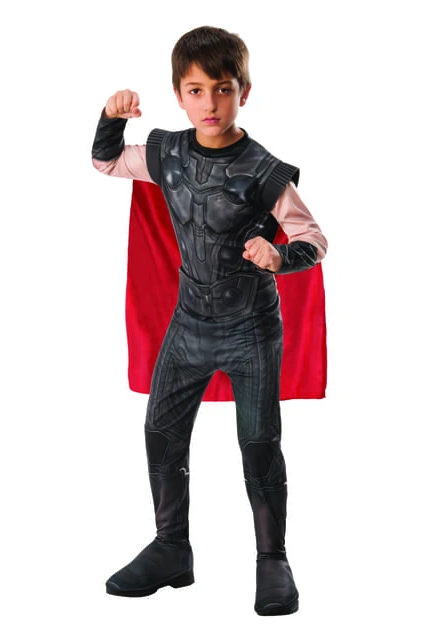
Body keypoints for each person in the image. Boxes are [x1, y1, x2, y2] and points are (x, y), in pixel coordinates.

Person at [91, 25, 328, 616]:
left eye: (223, 89)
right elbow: (107, 162)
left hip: (251, 330)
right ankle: (171, 548)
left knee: (258, 445)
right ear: (178, 94)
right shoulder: (166, 153)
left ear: (244, 91)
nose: (210, 103)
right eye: (196, 91)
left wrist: (281, 256)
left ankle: (272, 560)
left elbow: (314, 238)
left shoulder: (265, 170)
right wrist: (110, 116)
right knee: (161, 434)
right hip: (188, 325)